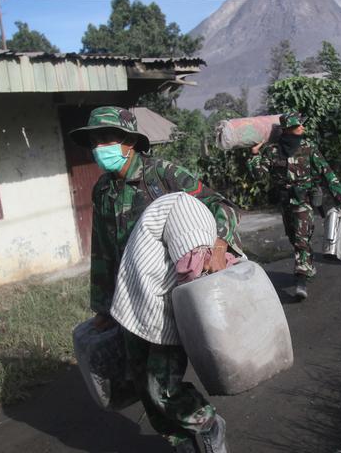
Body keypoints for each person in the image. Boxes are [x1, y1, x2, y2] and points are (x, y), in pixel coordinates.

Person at [69, 106, 241, 453]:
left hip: (170, 296)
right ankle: (182, 442)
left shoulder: (162, 175)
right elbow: (103, 251)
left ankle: (206, 423)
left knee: (160, 384)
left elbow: (219, 205)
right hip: (132, 301)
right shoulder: (103, 190)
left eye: (108, 138)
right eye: (95, 140)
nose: (100, 146)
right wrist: (103, 306)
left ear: (130, 142)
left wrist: (220, 242)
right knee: (139, 382)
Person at [247, 112, 341, 299]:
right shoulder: (273, 151)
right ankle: (307, 266)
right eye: (299, 126)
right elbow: (260, 175)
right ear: (288, 129)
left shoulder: (309, 149)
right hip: (286, 202)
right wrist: (254, 155)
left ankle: (301, 280)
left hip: (304, 202)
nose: (303, 128)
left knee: (302, 239)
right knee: (294, 238)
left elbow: (327, 173)